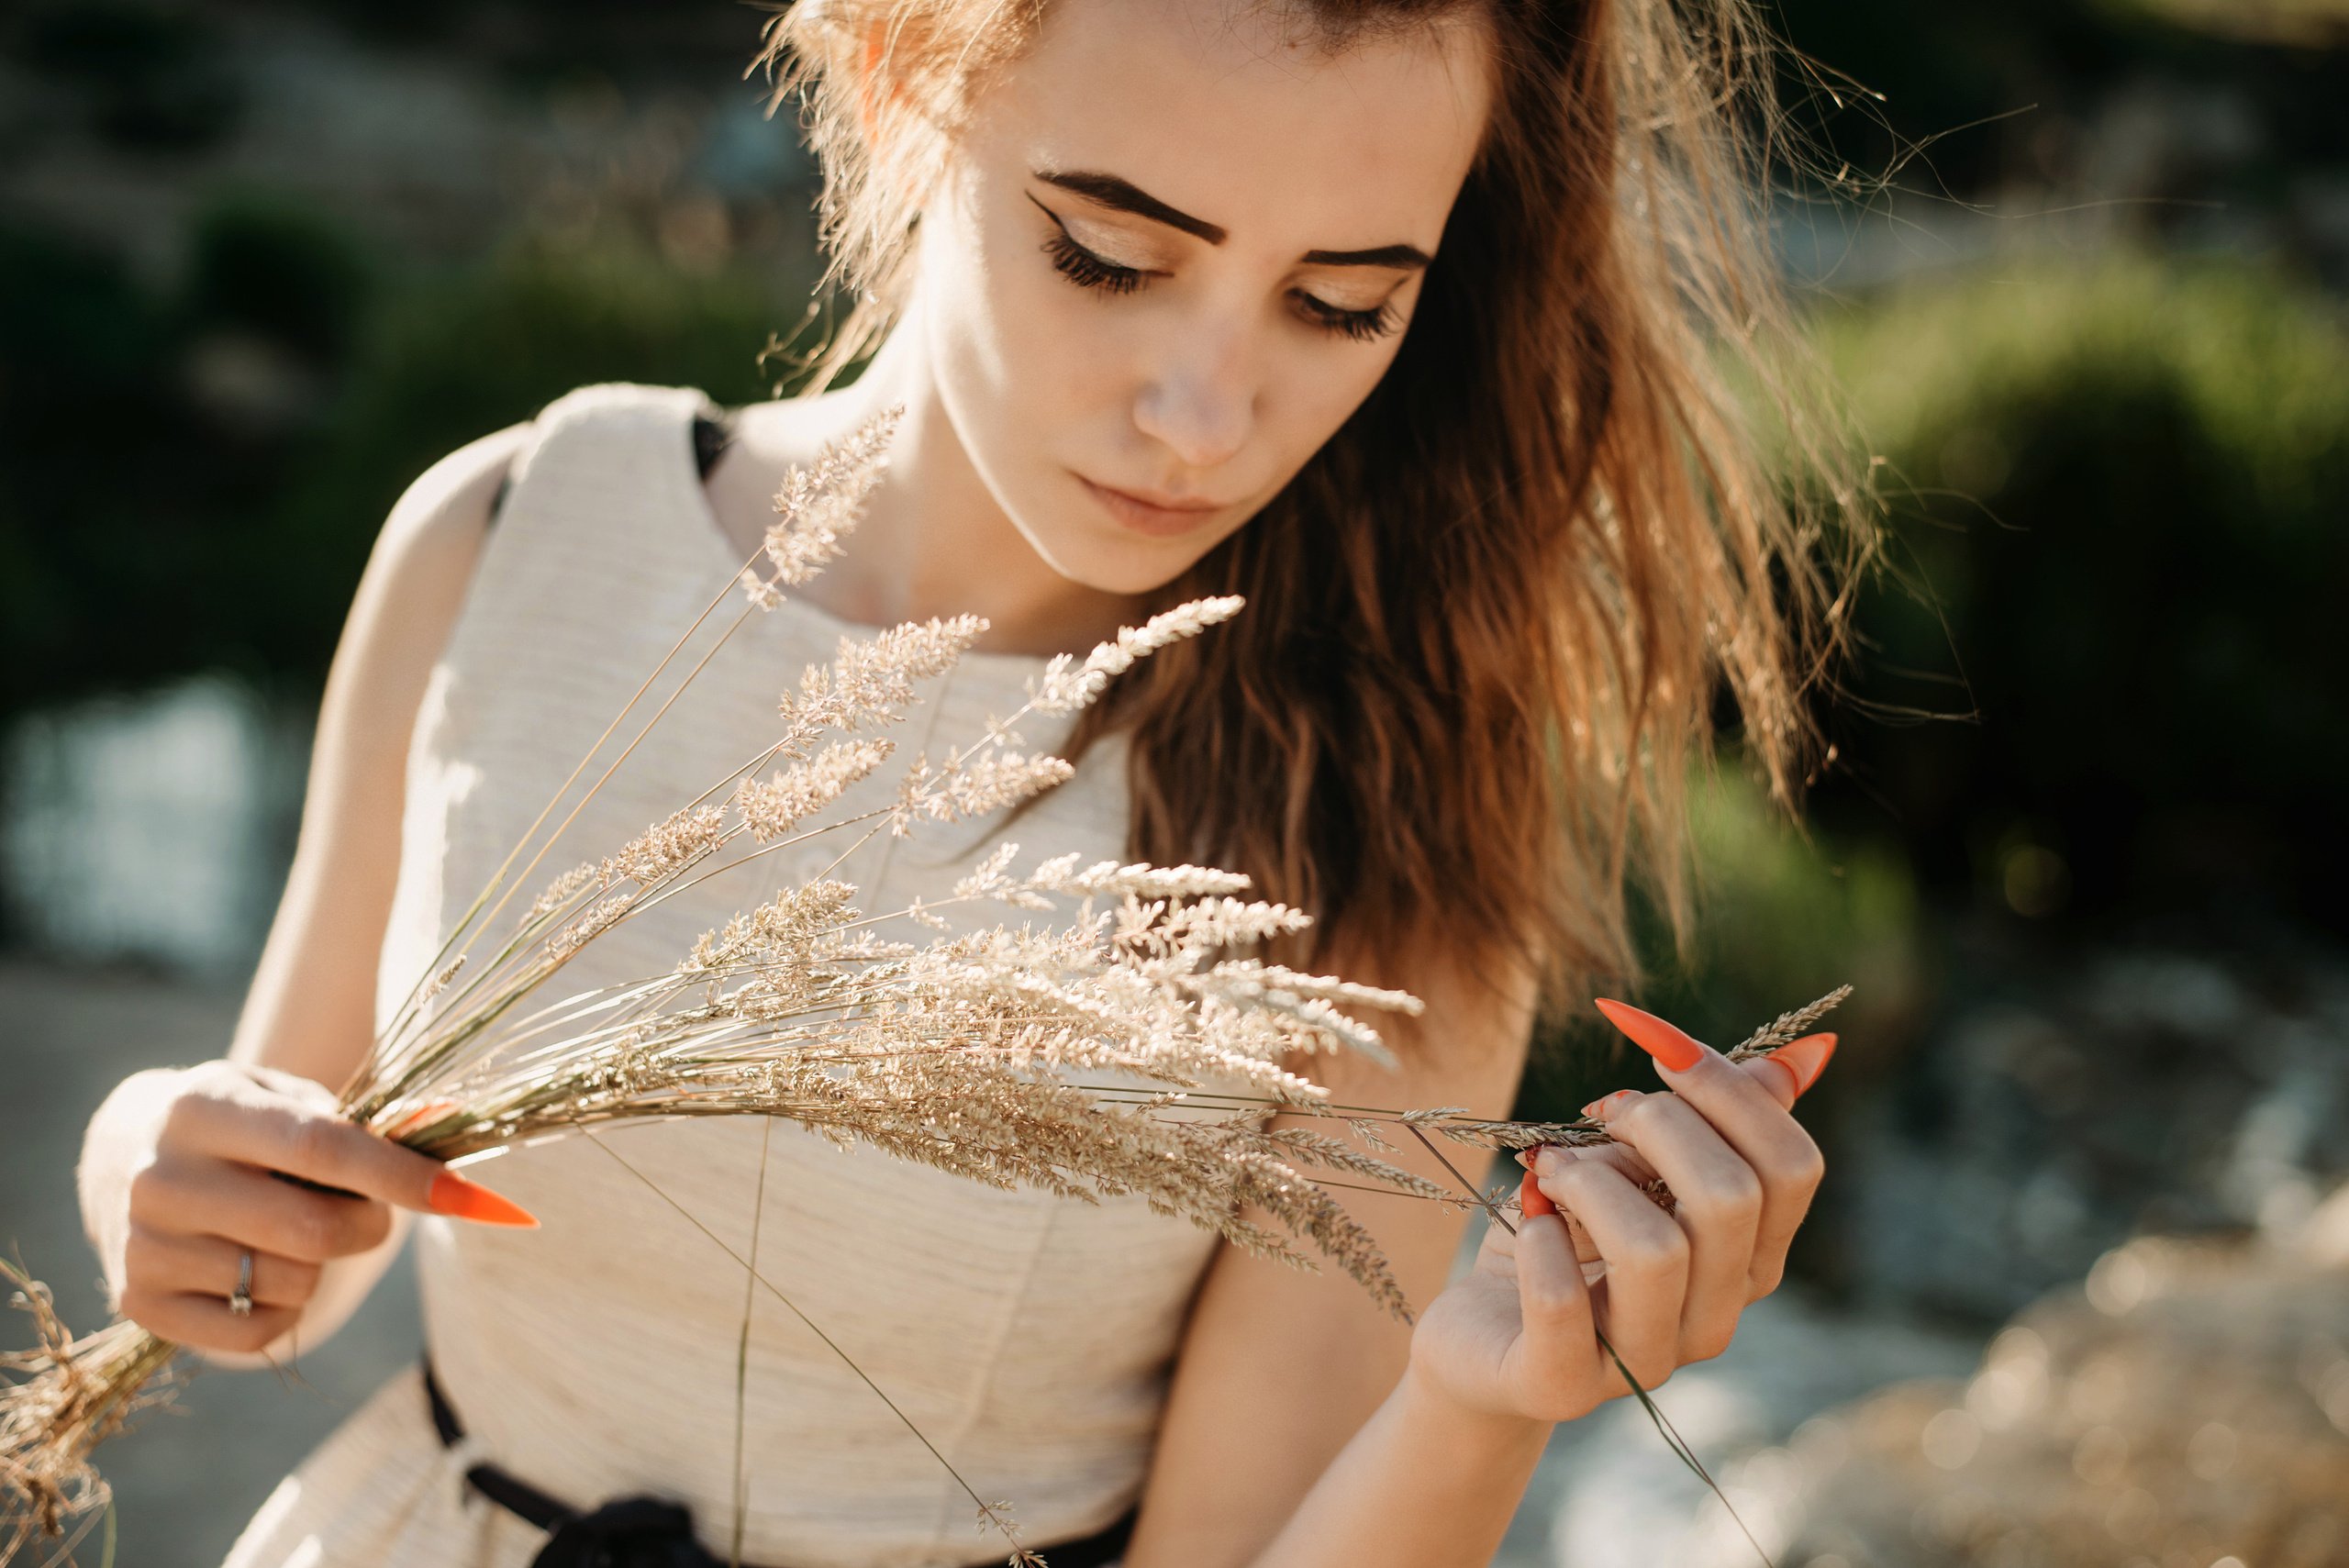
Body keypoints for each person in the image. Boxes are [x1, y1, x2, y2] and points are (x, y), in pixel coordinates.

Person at [75, 0, 1859, 1562]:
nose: (1203, 414)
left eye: (1339, 304)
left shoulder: (1371, 815)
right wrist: (148, 1155)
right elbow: (278, 1258)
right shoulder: (511, 531)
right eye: (1110, 254)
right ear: (891, 80)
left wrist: (1484, 1402)